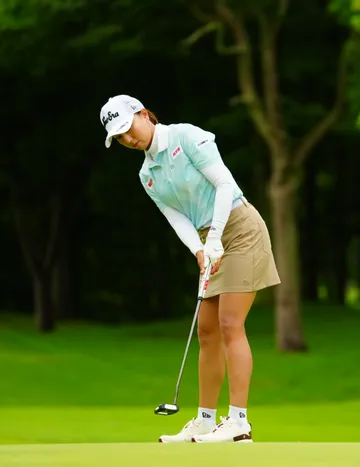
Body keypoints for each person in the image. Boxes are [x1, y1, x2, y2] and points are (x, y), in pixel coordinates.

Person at [100, 95, 281, 443]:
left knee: (230, 324)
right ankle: (205, 420)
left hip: (240, 229)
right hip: (207, 241)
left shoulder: (187, 137)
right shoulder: (147, 175)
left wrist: (214, 237)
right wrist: (199, 249)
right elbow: (176, 217)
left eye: (128, 128)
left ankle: (239, 422)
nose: (128, 139)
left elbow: (224, 184)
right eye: (119, 137)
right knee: (207, 332)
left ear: (144, 114)